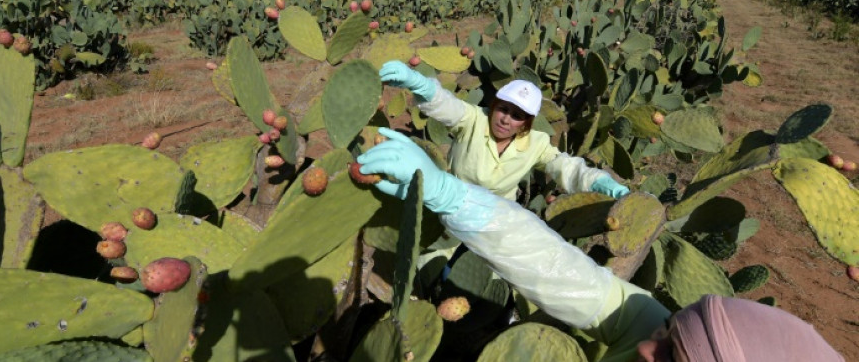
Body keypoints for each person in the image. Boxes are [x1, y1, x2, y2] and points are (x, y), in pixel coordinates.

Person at [356, 128, 844, 362]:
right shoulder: (647, 331)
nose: (650, 350)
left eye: (674, 360)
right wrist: (453, 196)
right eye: (671, 329)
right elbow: (557, 268)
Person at [379, 60, 631, 202]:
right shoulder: (474, 120)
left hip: (498, 218)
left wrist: (599, 182)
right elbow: (448, 106)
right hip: (451, 203)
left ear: (526, 123)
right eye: (503, 109)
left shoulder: (537, 143)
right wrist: (421, 85)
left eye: (517, 115)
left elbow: (567, 168)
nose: (506, 120)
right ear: (494, 105)